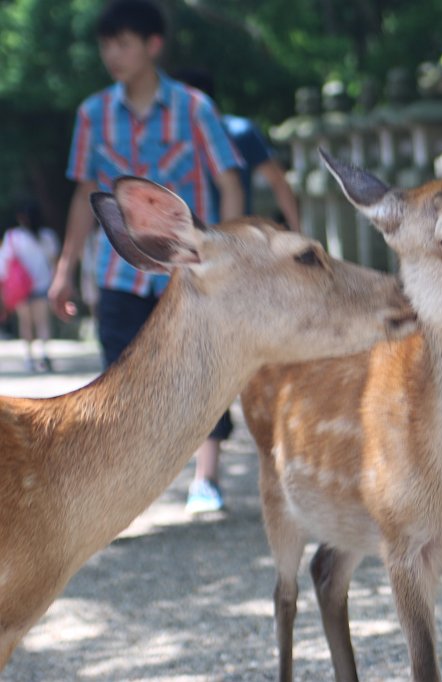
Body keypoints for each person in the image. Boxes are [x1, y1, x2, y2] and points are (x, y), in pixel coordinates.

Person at [48, 0, 245, 514]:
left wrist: (224, 252)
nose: (112, 53)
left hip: (187, 270)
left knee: (204, 371)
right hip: (117, 269)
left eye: (124, 43)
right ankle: (119, 491)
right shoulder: (91, 114)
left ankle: (206, 478)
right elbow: (83, 194)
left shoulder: (196, 108)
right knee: (117, 376)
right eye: (106, 44)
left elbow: (228, 180)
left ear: (152, 46)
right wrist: (65, 268)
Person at [176, 69, 300, 231]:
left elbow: (278, 181)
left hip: (235, 239)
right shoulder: (174, 139)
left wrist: (297, 231)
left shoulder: (240, 133)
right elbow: (278, 181)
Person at [1, 201, 57, 372]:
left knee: (25, 323)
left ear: (21, 217)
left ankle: (29, 357)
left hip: (21, 288)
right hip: (43, 284)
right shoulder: (48, 236)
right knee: (43, 322)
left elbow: (4, 263)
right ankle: (45, 355)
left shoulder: (13, 236)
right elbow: (53, 261)